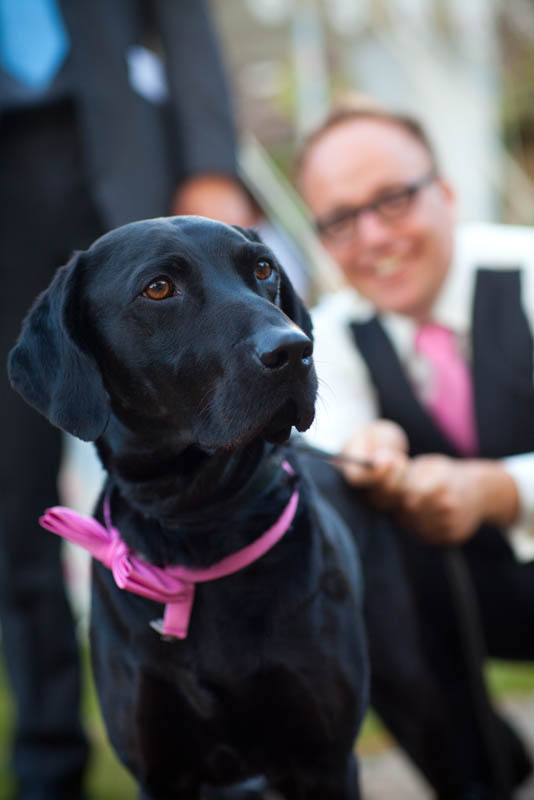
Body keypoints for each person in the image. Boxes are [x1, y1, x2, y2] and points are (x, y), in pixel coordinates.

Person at [0, 2, 252, 798]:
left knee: (212, 445)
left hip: (120, 155)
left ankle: (257, 713)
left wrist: (211, 162)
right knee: (12, 505)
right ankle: (47, 765)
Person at [295, 102, 534, 797]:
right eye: (340, 220)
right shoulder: (332, 333)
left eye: (393, 200)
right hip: (458, 605)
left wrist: (498, 491)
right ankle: (478, 775)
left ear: (447, 192)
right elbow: (331, 439)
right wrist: (370, 452)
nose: (372, 237)